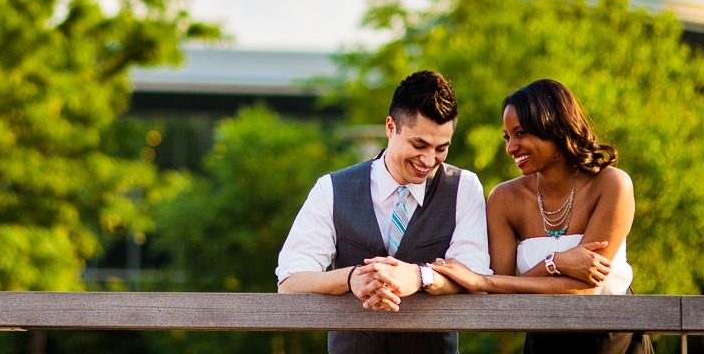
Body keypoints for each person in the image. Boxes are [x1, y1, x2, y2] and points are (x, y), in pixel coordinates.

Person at [276, 69, 491, 354]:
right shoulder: (331, 188)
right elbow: (290, 282)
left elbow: (475, 275)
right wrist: (352, 278)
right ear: (391, 127)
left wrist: (419, 276)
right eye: (419, 144)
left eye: (441, 148)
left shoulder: (464, 187)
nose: (428, 160)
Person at [431, 78, 653, 354]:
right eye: (507, 137)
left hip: (613, 337)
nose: (511, 147)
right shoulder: (504, 199)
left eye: (521, 133)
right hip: (542, 338)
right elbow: (503, 296)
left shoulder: (612, 185)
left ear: (555, 128)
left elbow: (585, 288)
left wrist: (486, 281)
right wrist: (558, 263)